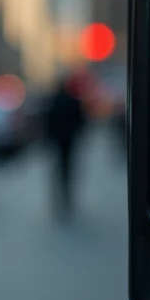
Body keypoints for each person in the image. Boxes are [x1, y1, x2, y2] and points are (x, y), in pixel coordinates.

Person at [44, 70, 88, 215]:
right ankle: (67, 197)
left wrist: (49, 138)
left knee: (58, 169)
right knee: (68, 168)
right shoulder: (73, 101)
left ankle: (60, 199)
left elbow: (46, 122)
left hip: (57, 141)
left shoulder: (52, 101)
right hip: (69, 140)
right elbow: (81, 121)